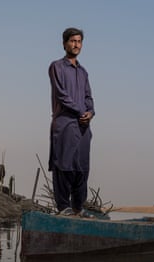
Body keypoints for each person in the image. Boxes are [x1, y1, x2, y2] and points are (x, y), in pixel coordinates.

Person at [48, 27, 95, 217]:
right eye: (72, 41)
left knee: (81, 167)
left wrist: (90, 112)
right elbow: (61, 95)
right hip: (65, 123)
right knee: (64, 164)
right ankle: (63, 207)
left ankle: (78, 208)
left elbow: (88, 96)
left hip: (83, 127)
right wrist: (80, 110)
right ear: (64, 43)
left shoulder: (83, 72)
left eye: (79, 41)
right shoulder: (56, 67)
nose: (76, 45)